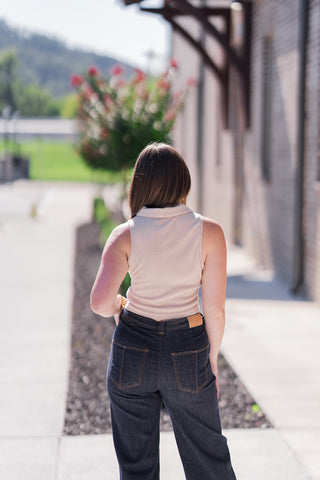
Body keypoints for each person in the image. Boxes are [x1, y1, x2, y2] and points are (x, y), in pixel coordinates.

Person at [90, 142, 237, 480]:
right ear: (183, 182)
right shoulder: (210, 232)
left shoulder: (124, 234)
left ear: (138, 185)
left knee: (137, 467)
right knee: (209, 462)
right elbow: (214, 309)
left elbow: (99, 303)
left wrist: (120, 304)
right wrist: (211, 358)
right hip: (188, 348)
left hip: (132, 347)